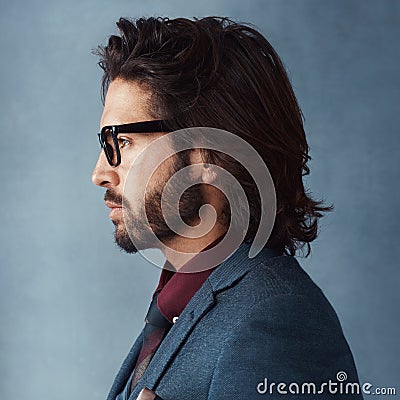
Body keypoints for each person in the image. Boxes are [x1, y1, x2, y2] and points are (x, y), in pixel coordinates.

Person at [92, 16, 363, 400]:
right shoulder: (178, 307)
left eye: (123, 143)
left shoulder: (275, 320)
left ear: (206, 153)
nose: (100, 174)